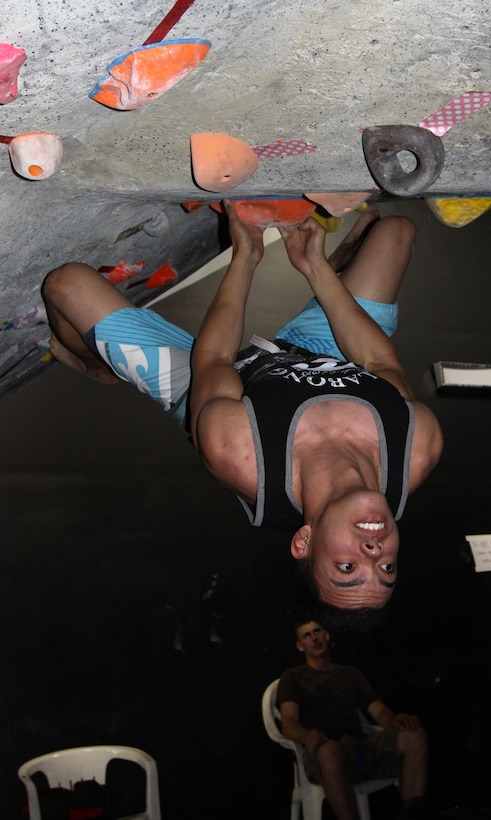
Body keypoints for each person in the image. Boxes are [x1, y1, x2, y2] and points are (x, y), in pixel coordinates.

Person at [41, 201, 442, 627]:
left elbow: (213, 357)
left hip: (220, 384)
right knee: (396, 231)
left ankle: (97, 367)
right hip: (324, 358)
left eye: (347, 569)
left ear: (304, 542)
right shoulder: (417, 448)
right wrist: (316, 267)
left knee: (65, 285)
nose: (374, 555)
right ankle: (335, 274)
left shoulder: (239, 455)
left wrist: (246, 256)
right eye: (387, 570)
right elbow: (379, 361)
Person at [277, 619, 428, 820]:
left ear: (327, 635)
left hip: (357, 748)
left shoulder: (350, 674)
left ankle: (412, 814)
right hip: (322, 752)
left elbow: (378, 710)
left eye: (317, 632)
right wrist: (306, 736)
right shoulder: (292, 677)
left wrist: (395, 720)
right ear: (299, 646)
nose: (314, 638)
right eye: (307, 636)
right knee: (330, 751)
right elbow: (288, 721)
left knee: (414, 736)